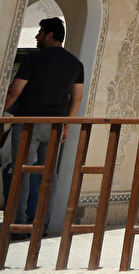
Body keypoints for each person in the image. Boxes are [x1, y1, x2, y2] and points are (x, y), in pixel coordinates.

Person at [4, 17, 84, 232]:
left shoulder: (33, 59)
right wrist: (66, 125)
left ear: (50, 35)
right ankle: (41, 222)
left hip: (29, 122)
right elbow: (76, 98)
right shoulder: (75, 64)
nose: (37, 36)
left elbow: (14, 91)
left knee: (22, 172)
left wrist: (2, 114)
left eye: (40, 32)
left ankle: (18, 224)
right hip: (56, 125)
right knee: (48, 174)